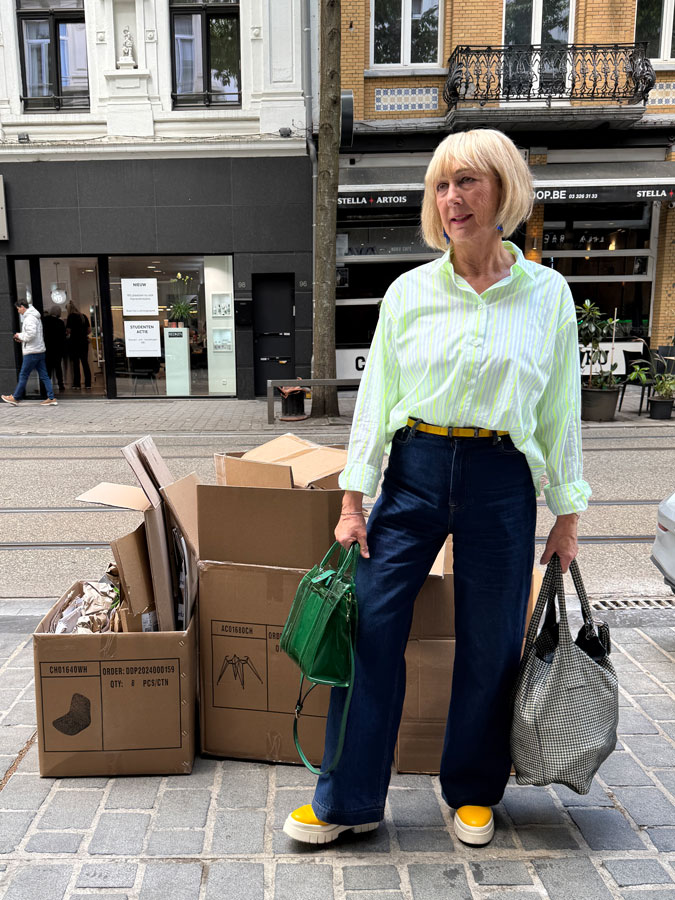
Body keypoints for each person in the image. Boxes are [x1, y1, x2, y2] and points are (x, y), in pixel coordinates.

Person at [283, 129, 591, 848]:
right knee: (367, 630)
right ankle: (348, 799)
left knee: (489, 643)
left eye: (468, 182)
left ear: (503, 188)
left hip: (501, 480)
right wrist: (352, 501)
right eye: (441, 186)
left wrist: (567, 516)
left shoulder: (547, 295)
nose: (452, 199)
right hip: (414, 474)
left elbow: (560, 412)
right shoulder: (409, 293)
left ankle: (473, 792)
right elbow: (374, 402)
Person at [2, 300, 58, 406]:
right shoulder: (35, 317)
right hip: (39, 350)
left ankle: (16, 397)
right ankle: (51, 398)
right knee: (44, 376)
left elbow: (31, 334)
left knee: (23, 375)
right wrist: (22, 338)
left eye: (18, 309)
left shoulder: (30, 318)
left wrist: (19, 336)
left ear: (22, 307)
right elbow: (33, 335)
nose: (18, 311)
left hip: (32, 352)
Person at [66, 301, 91, 391]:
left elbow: (68, 330)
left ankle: (77, 384)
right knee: (85, 363)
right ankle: (88, 383)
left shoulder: (70, 317)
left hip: (74, 342)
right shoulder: (83, 316)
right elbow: (89, 330)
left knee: (76, 364)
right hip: (84, 342)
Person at [42, 305, 67, 393]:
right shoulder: (60, 322)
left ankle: (47, 386)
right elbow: (63, 337)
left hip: (47, 347)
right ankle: (61, 384)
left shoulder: (45, 320)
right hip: (57, 348)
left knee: (48, 367)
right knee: (58, 367)